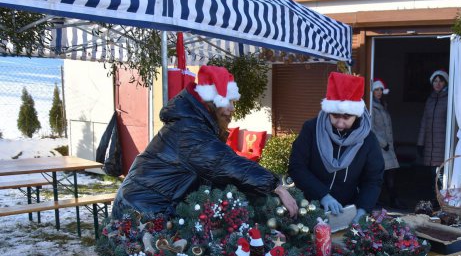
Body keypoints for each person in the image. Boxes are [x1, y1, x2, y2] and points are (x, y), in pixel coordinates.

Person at [112, 65, 298, 219]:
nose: (232, 109)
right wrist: (275, 186)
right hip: (141, 210)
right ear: (213, 102)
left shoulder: (194, 123)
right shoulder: (189, 131)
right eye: (229, 102)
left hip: (146, 205)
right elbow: (225, 163)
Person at [288, 72, 384, 223]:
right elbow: (297, 167)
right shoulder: (311, 129)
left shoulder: (368, 139)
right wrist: (323, 195)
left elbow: (373, 179)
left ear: (357, 115)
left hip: (347, 211)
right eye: (335, 116)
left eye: (346, 118)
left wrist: (362, 209)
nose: (340, 123)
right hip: (309, 207)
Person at [416, 69, 449, 205]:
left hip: (442, 144)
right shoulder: (430, 100)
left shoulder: (448, 98)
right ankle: (434, 198)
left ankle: (441, 200)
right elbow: (424, 121)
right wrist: (420, 143)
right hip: (430, 143)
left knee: (440, 173)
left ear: (445, 82)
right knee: (431, 173)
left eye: (440, 81)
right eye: (435, 81)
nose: (438, 83)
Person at [370, 78, 404, 209]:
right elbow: (371, 128)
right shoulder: (372, 107)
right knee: (383, 175)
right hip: (380, 147)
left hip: (387, 147)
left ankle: (390, 199)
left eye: (380, 90)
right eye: (376, 90)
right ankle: (392, 200)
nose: (379, 92)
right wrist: (383, 143)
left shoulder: (382, 105)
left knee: (390, 174)